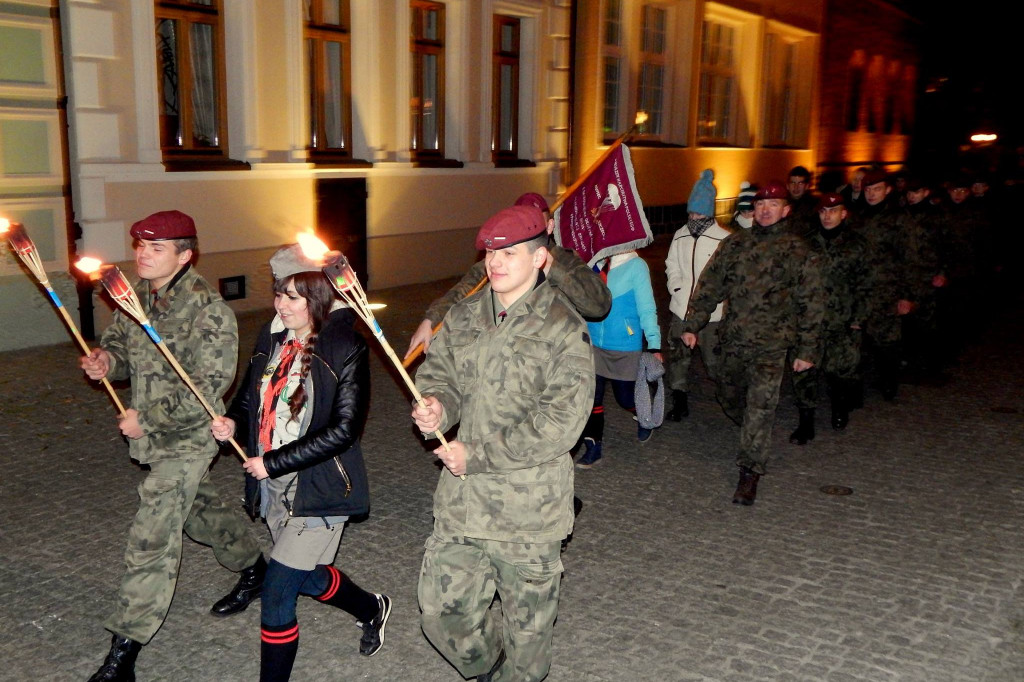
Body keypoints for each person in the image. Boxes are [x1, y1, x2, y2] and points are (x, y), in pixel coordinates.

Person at [80, 210, 266, 682]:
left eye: (156, 248)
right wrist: (106, 361)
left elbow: (211, 386)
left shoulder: (209, 310)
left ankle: (124, 650)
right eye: (140, 245)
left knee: (153, 535)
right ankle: (254, 565)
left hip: (187, 437)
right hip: (153, 439)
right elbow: (120, 346)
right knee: (198, 510)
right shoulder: (136, 296)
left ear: (185, 255)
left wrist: (149, 417)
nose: (142, 253)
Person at [411, 205, 594, 682]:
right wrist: (437, 406)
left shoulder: (562, 326)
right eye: (491, 253)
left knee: (528, 640)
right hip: (463, 505)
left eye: (510, 253)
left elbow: (561, 423)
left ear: (539, 259)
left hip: (527, 514)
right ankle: (488, 667)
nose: (496, 262)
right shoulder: (466, 314)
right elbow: (441, 375)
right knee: (439, 614)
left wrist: (479, 455)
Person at [210, 245, 390, 681]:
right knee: (305, 577)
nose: (282, 305)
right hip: (275, 488)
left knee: (277, 595)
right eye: (278, 293)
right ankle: (372, 607)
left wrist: (272, 462)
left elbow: (344, 429)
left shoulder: (346, 345)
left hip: (320, 487)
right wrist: (232, 422)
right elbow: (252, 396)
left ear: (320, 297)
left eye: (294, 296)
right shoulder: (271, 336)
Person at [679, 181, 824, 505]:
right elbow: (709, 285)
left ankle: (749, 473)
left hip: (772, 348)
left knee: (760, 409)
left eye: (773, 205)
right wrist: (692, 325)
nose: (766, 210)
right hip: (733, 341)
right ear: (753, 210)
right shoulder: (736, 245)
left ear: (785, 210)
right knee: (728, 396)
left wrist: (807, 350)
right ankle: (750, 432)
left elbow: (812, 303)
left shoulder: (798, 251)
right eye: (760, 205)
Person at [404, 192, 610, 358]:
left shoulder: (567, 261)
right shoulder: (498, 261)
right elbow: (463, 291)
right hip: (508, 351)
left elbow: (598, 306)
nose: (529, 229)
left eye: (536, 223)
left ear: (549, 226)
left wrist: (552, 268)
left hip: (551, 352)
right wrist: (431, 321)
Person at [788, 194, 871, 442]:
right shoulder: (805, 243)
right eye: (823, 210)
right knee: (804, 373)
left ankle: (839, 409)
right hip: (809, 322)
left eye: (833, 210)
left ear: (843, 214)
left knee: (840, 371)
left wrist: (859, 318)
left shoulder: (856, 244)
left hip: (842, 321)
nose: (827, 215)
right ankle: (806, 422)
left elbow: (866, 284)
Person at [577, 245, 663, 466]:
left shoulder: (636, 266)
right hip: (594, 344)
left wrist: (654, 344)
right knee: (592, 398)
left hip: (625, 345)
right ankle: (593, 445)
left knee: (624, 397)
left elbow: (646, 307)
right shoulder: (593, 265)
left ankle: (644, 415)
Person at [855, 168, 931, 401]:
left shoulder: (899, 219)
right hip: (860, 291)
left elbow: (911, 259)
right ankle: (859, 386)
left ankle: (888, 383)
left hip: (888, 291)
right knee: (860, 343)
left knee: (887, 343)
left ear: (887, 190)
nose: (871, 194)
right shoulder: (858, 215)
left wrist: (908, 296)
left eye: (877, 189)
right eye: (868, 189)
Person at [665, 169, 731, 421]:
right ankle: (679, 400)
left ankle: (729, 397)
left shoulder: (723, 239)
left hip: (711, 315)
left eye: (699, 213)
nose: (694, 218)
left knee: (713, 361)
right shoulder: (680, 235)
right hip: (682, 308)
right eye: (691, 213)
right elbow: (672, 264)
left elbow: (727, 276)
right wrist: (677, 287)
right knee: (679, 358)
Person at [787, 165, 819, 233]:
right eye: (793, 183)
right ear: (787, 186)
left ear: (807, 186)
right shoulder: (780, 205)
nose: (796, 187)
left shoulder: (815, 207)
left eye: (800, 183)